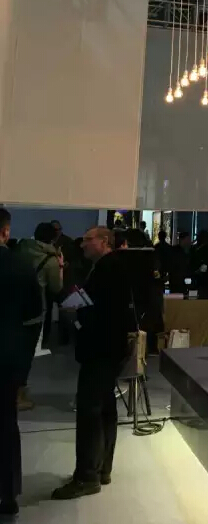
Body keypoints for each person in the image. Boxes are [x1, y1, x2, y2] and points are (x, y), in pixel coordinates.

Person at [52, 227, 131, 501]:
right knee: (104, 407)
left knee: (89, 411)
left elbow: (100, 312)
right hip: (108, 349)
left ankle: (87, 476)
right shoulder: (109, 267)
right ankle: (101, 469)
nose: (83, 244)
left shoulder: (108, 269)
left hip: (100, 350)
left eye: (88, 240)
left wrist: (77, 313)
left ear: (104, 242)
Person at [0, 208, 43, 518]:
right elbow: (33, 318)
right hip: (7, 362)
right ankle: (7, 494)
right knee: (5, 425)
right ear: (6, 232)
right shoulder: (20, 266)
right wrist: (22, 368)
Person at [15, 222, 63, 410]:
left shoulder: (20, 249)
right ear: (53, 238)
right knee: (26, 354)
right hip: (34, 311)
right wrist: (60, 267)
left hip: (12, 306)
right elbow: (56, 287)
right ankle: (18, 396)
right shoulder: (51, 259)